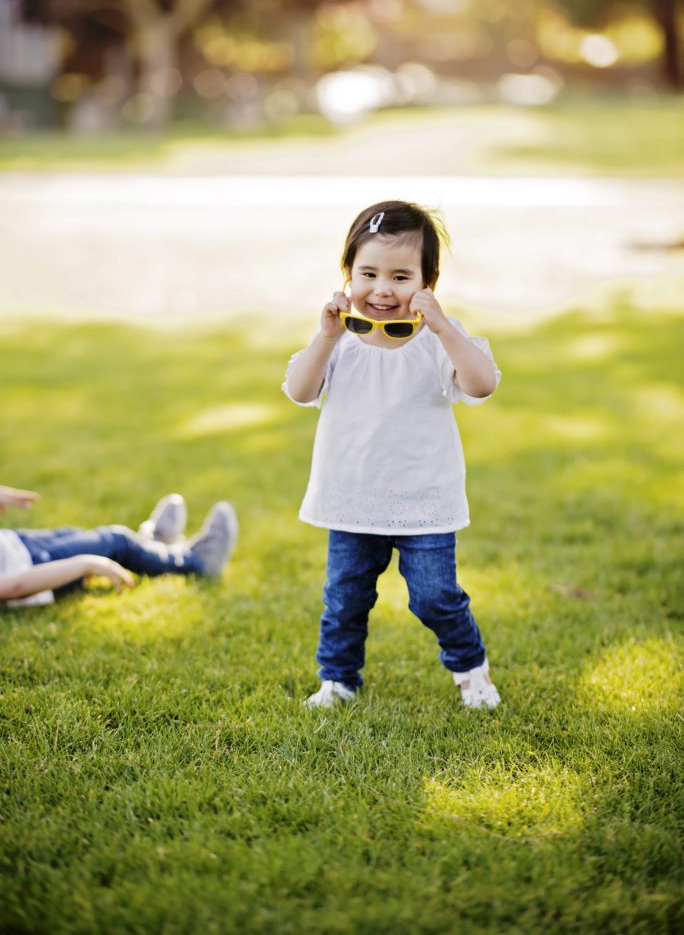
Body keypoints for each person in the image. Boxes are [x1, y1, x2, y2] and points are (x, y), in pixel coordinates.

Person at [283, 200, 501, 710]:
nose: (382, 289)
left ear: (428, 283)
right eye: (369, 273)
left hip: (425, 501)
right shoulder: (337, 342)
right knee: (345, 598)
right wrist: (323, 336)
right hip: (352, 498)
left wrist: (446, 329)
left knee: (435, 597)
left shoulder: (436, 342)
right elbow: (298, 389)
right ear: (347, 275)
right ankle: (338, 680)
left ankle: (471, 669)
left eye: (401, 276)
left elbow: (483, 383)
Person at [0, 486, 238, 608]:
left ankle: (153, 544)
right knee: (116, 541)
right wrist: (86, 564)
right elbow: (12, 586)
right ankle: (197, 563)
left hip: (14, 544)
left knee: (78, 535)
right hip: (31, 568)